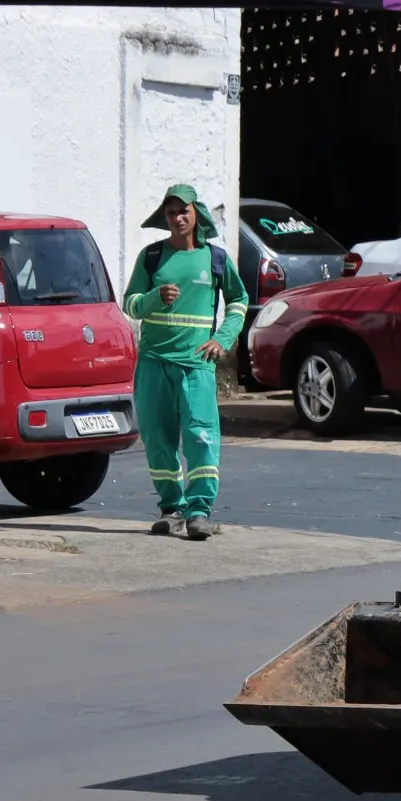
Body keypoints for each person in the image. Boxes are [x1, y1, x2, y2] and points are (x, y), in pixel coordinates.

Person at [122, 184, 248, 539]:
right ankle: (171, 509)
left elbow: (239, 302)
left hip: (196, 366)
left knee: (201, 437)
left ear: (197, 215)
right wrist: (152, 298)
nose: (177, 218)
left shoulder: (216, 259)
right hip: (152, 363)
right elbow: (129, 304)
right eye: (171, 212)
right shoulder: (151, 257)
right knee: (158, 439)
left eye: (184, 211)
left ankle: (198, 512)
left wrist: (222, 340)